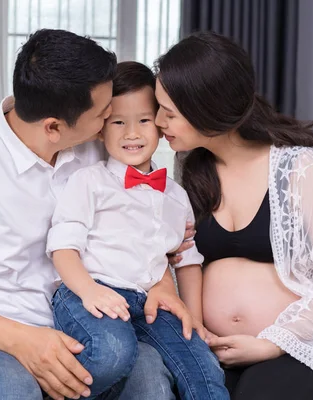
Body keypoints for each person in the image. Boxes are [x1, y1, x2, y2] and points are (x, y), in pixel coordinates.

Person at [0, 29, 195, 400]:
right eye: (103, 114)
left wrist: (161, 281)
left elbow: (150, 226)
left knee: (151, 382)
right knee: (9, 390)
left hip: (88, 326)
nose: (113, 118)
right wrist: (27, 342)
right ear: (54, 127)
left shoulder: (97, 148)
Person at [153, 31, 313, 400]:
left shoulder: (299, 168)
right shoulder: (191, 171)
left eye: (169, 112)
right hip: (215, 350)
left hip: (296, 348)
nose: (159, 121)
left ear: (205, 110)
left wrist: (273, 343)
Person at [46, 61, 228, 400]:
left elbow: (186, 259)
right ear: (101, 129)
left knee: (204, 366)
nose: (132, 133)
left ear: (160, 125)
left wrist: (194, 316)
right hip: (91, 293)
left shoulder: (176, 195)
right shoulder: (89, 181)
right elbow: (63, 246)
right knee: (113, 349)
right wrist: (88, 290)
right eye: (118, 122)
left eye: (144, 120)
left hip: (151, 303)